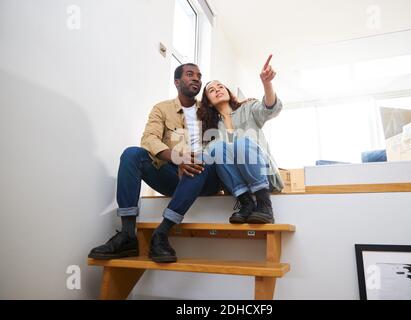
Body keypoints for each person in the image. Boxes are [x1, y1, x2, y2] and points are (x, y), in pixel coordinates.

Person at [88, 63, 220, 263]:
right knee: (132, 154)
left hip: (205, 177)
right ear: (177, 82)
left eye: (199, 76)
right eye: (190, 74)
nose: (196, 79)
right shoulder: (162, 109)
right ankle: (127, 235)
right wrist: (177, 158)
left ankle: (161, 233)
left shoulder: (209, 110)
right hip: (174, 175)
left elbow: (232, 116)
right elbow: (149, 138)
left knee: (200, 162)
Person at [198, 55, 284, 224]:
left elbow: (270, 109)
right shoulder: (210, 129)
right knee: (215, 148)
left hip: (264, 176)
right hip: (237, 185)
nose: (217, 90)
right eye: (212, 90)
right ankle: (246, 203)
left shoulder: (248, 108)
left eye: (220, 86)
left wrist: (267, 83)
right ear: (208, 102)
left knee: (241, 142)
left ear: (228, 92)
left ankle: (264, 204)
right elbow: (208, 157)